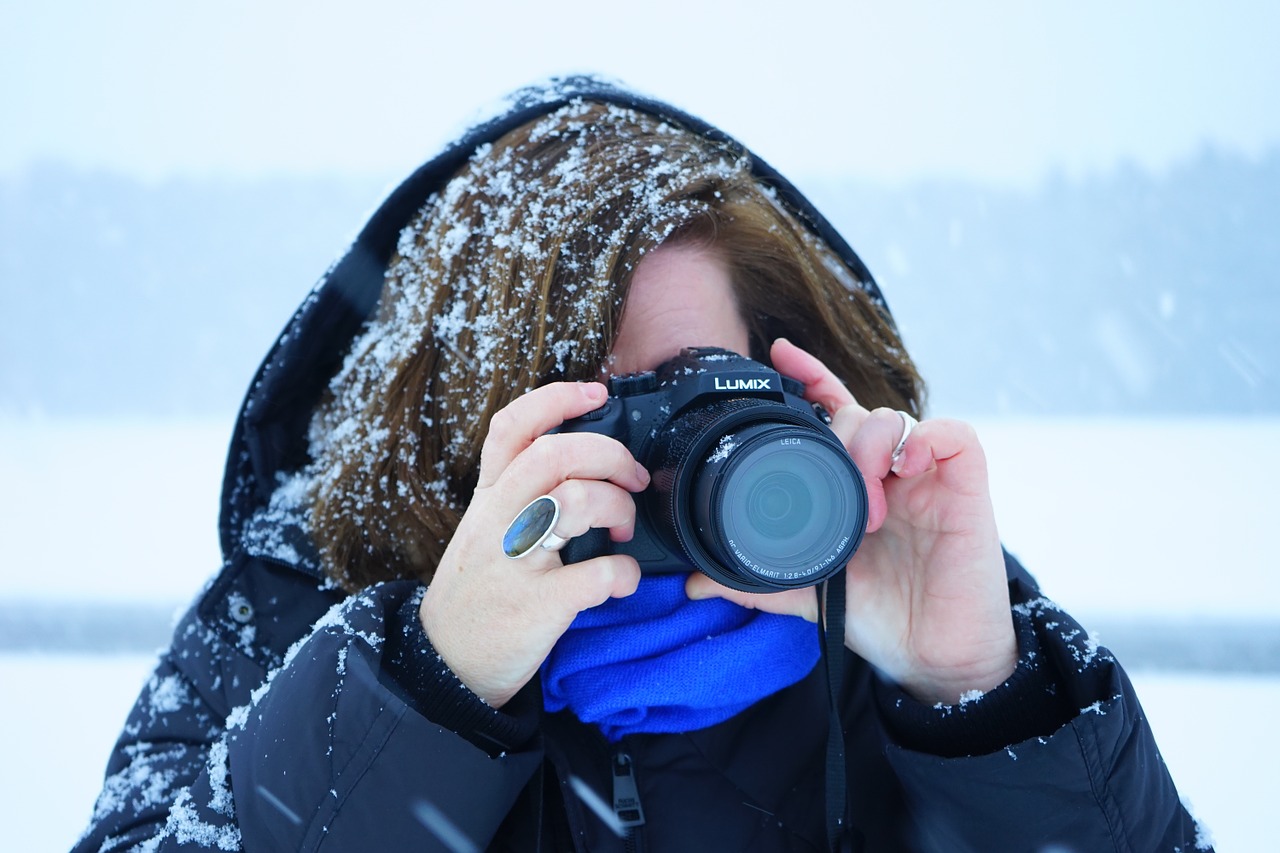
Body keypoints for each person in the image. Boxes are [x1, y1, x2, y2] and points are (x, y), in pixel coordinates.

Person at [74, 76, 1208, 852]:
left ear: (782, 379)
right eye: (594, 409)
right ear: (451, 421)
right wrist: (427, 684)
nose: (652, 462)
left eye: (694, 388)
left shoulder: (885, 605)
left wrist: (978, 698)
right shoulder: (299, 612)